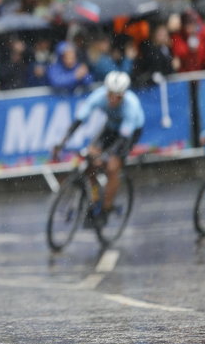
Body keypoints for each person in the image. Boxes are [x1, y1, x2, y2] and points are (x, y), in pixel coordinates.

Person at [52, 71, 144, 227]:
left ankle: (106, 209)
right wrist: (62, 142)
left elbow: (122, 139)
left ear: (124, 94)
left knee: (113, 166)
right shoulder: (98, 96)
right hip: (110, 127)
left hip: (129, 133)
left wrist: (108, 155)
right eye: (110, 95)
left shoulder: (131, 106)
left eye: (118, 96)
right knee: (90, 161)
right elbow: (79, 120)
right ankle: (95, 200)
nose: (113, 99)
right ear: (106, 91)